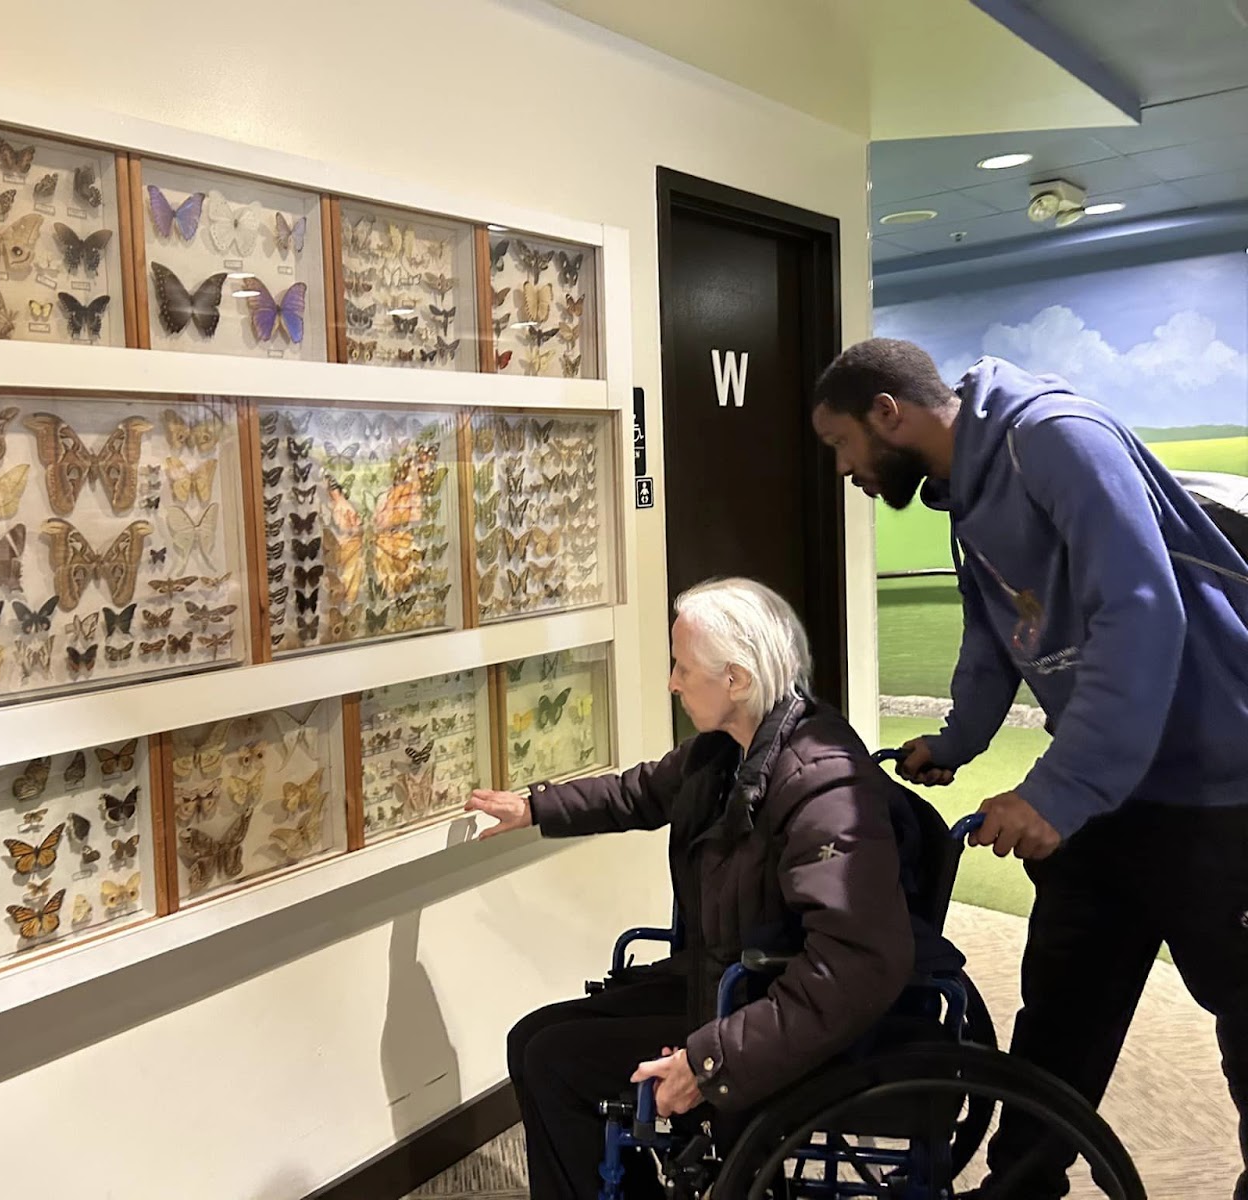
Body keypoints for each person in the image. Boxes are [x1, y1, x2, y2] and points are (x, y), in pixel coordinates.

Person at [812, 338, 1248, 1200]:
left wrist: (1055, 791)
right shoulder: (962, 490)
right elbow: (1000, 631)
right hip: (1106, 800)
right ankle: (1022, 1187)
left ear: (887, 414)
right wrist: (958, 740)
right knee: (1060, 1014)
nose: (845, 469)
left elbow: (1141, 613)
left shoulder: (1053, 436)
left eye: (841, 444)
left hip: (1215, 792)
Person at [466, 577, 945, 1200]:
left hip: (778, 1016)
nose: (671, 681)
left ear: (737, 681)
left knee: (555, 1061)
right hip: (728, 981)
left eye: (681, 667)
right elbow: (635, 792)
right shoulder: (724, 753)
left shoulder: (820, 784)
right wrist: (534, 808)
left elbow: (857, 963)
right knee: (533, 1039)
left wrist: (708, 1060)